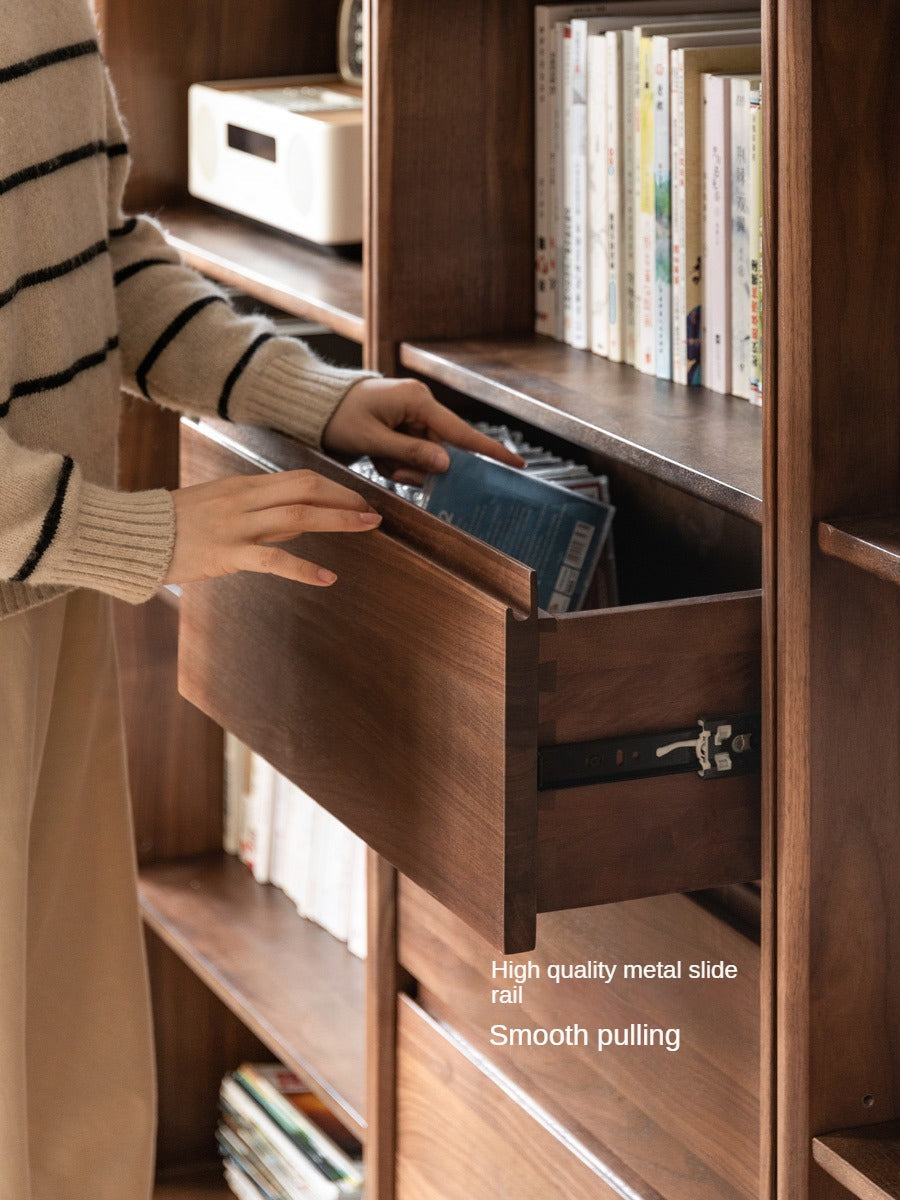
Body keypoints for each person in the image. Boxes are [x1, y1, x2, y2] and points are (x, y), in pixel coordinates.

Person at [0, 3, 521, 1197]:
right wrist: (141, 531)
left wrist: (298, 391)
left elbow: (96, 248)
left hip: (45, 601)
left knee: (71, 1084)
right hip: (51, 562)